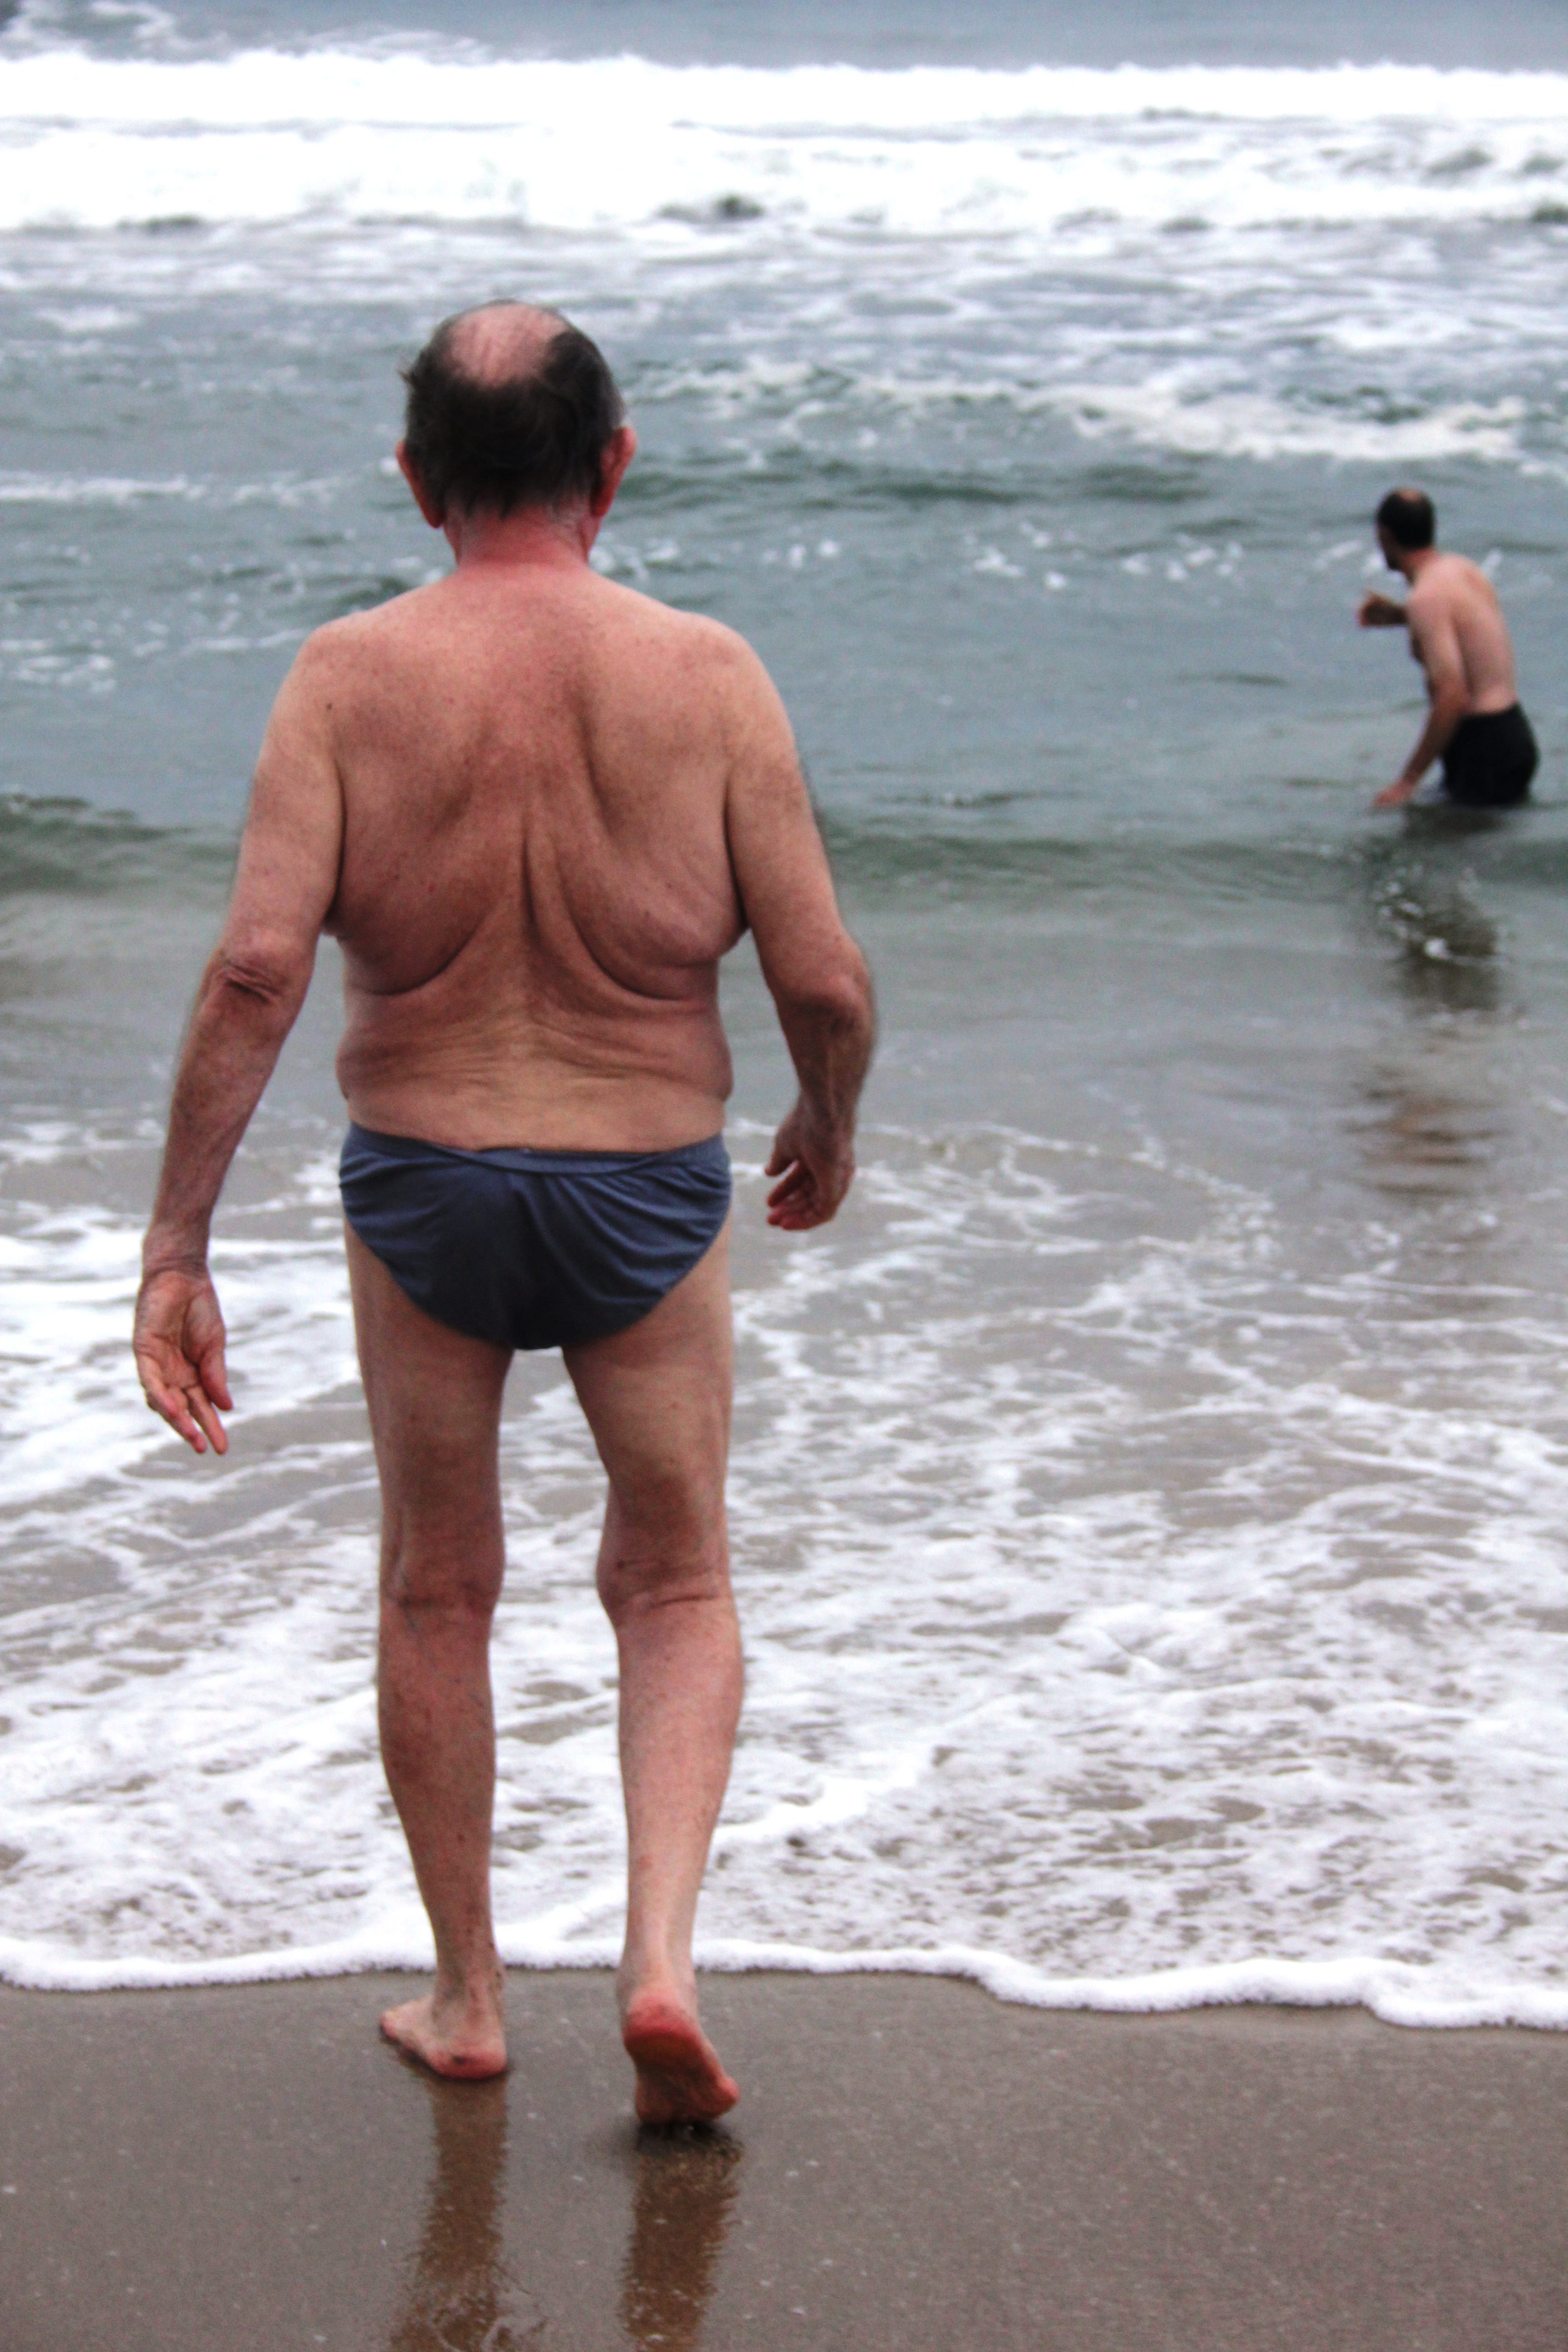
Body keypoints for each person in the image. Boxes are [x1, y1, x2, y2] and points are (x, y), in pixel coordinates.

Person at [131, 302, 875, 2119]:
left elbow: (255, 972)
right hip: (643, 1187)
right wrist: (825, 1119)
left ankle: (470, 1999)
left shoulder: (344, 677)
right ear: (612, 466)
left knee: (438, 1589)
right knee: (676, 1580)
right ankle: (660, 1965)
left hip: (426, 1188)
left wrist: (176, 1246)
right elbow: (824, 980)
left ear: (416, 482)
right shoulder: (709, 674)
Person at [1358, 486, 1539, 811]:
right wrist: (1401, 616)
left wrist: (1408, 780)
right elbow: (1468, 626)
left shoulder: (1426, 598)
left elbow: (1453, 696)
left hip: (1482, 748)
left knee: (1420, 834)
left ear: (1385, 536)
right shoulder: (1462, 569)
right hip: (1512, 733)